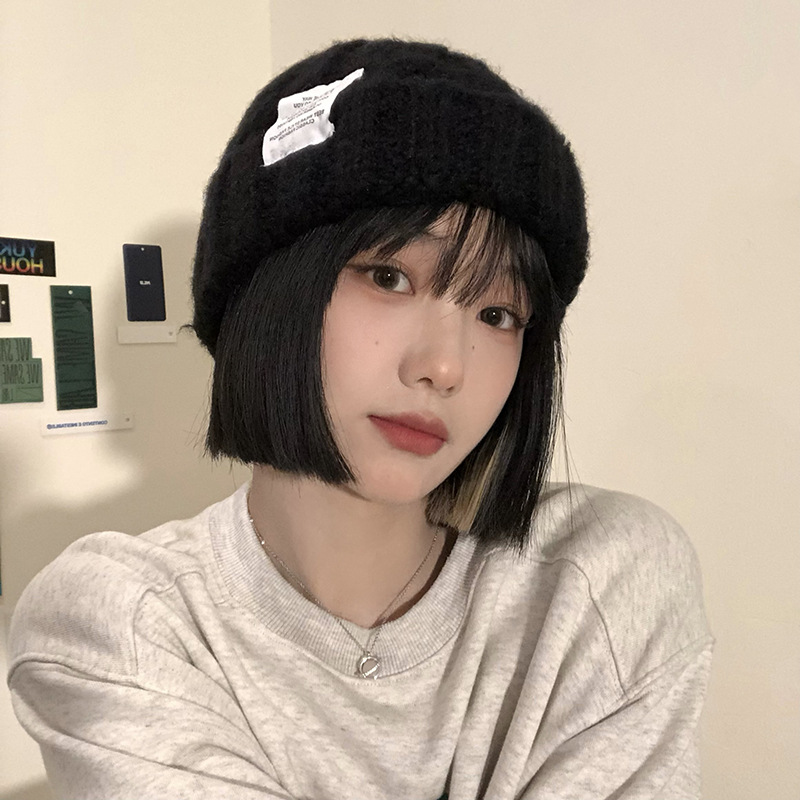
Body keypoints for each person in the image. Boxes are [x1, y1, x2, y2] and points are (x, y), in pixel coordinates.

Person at [7, 38, 713, 799]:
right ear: (270, 291)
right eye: (389, 275)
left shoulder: (594, 581)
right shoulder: (127, 617)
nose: (446, 367)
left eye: (499, 314)